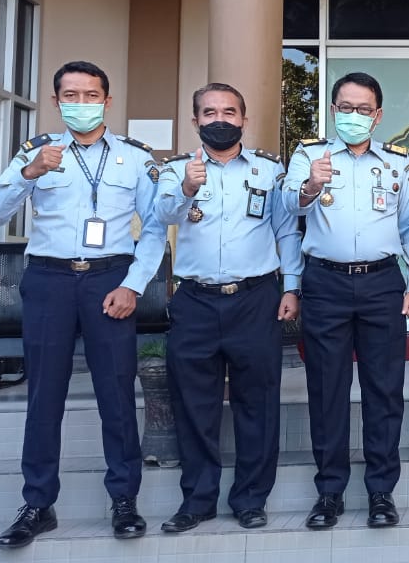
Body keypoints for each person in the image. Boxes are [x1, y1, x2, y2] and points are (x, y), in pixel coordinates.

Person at [0, 61, 167, 549]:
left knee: (116, 394)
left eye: (91, 95)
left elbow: (154, 227)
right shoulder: (36, 153)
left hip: (110, 278)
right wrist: (28, 174)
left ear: (107, 100)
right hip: (49, 279)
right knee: (44, 395)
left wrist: (133, 285)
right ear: (56, 101)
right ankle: (38, 503)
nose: (81, 104)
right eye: (71, 96)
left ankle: (124, 498)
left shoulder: (134, 157)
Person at [283, 71, 409, 530]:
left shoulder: (396, 163)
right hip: (325, 284)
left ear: (378, 115)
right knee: (326, 390)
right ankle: (329, 491)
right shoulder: (309, 155)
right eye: (345, 108)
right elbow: (289, 208)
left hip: (382, 284)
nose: (354, 115)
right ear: (333, 110)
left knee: (383, 390)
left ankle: (381, 491)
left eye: (363, 109)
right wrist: (311, 185)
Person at [153, 83, 303, 533]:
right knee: (193, 404)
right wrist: (186, 187)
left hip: (255, 299)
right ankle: (197, 500)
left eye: (229, 112)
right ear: (195, 120)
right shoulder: (175, 169)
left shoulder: (269, 170)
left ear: (244, 119)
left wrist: (292, 287)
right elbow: (163, 215)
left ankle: (251, 499)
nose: (220, 119)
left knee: (257, 402)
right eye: (210, 112)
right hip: (195, 300)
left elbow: (287, 231)